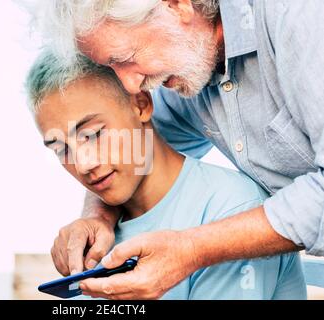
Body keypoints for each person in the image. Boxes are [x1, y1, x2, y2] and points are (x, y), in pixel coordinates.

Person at [34, 0, 324, 299]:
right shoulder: (184, 63)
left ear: (178, 6)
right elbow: (133, 150)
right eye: (112, 68)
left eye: (125, 57)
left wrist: (192, 250)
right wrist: (97, 216)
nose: (131, 85)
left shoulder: (300, 16)